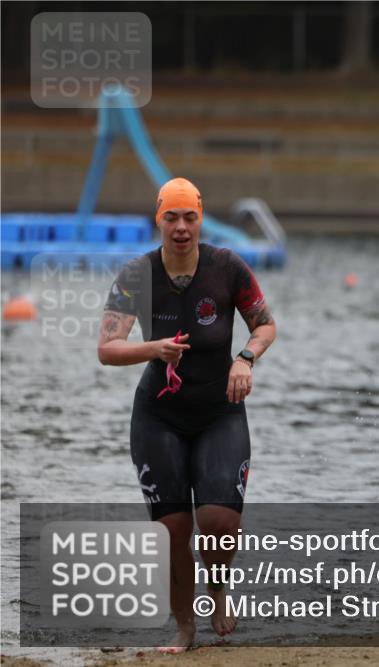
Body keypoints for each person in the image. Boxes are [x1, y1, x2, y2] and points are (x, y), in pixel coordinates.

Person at [97, 178, 276, 653]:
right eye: (171, 217)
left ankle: (217, 590)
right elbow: (107, 349)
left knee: (219, 521)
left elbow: (265, 325)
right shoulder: (137, 274)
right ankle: (184, 628)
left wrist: (246, 358)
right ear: (158, 220)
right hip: (158, 416)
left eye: (189, 217)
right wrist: (153, 349)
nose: (180, 227)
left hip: (220, 412)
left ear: (201, 219)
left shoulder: (227, 267)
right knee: (173, 529)